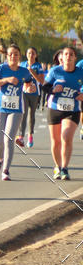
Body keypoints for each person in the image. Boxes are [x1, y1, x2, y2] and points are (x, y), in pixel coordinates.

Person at [0, 44, 35, 181]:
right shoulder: (1, 69)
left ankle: (6, 170)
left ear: (20, 56)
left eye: (16, 54)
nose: (13, 56)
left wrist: (30, 88)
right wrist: (6, 80)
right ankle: (0, 159)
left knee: (8, 139)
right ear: (7, 56)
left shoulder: (24, 71)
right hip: (0, 108)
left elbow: (28, 85)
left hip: (16, 109)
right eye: (11, 54)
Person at [42, 46, 83, 180]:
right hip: (55, 108)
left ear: (75, 58)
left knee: (66, 136)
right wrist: (54, 89)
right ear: (62, 57)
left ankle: (65, 168)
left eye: (71, 54)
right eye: (66, 54)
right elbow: (45, 87)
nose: (68, 57)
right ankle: (58, 166)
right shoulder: (55, 71)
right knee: (55, 141)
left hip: (72, 110)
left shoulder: (80, 72)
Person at [16, 47, 44, 148]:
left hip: (35, 93)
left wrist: (32, 71)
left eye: (33, 53)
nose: (31, 55)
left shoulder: (38, 66)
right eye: (29, 53)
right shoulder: (22, 64)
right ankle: (21, 136)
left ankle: (30, 135)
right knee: (23, 114)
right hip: (24, 92)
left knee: (31, 115)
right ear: (26, 54)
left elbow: (41, 81)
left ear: (36, 55)